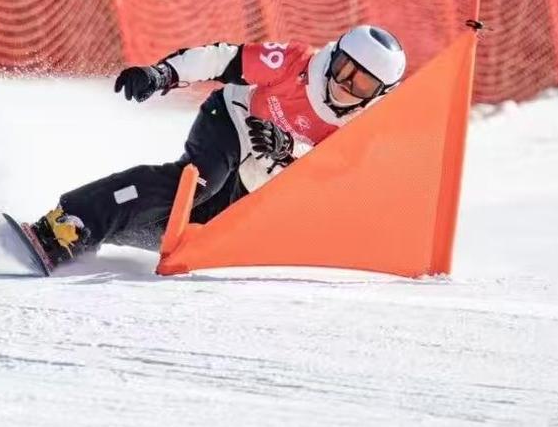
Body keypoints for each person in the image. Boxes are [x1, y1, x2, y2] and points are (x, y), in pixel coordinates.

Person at [26, 25, 407, 268]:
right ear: (335, 55)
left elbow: (333, 174)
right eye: (344, 69)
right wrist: (164, 74)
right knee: (195, 185)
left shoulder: (359, 125)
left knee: (186, 233)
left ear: (379, 93)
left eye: (362, 84)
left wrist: (289, 149)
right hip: (230, 121)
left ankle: (98, 233)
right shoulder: (298, 64)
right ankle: (71, 221)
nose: (344, 84)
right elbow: (224, 57)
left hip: (256, 177)